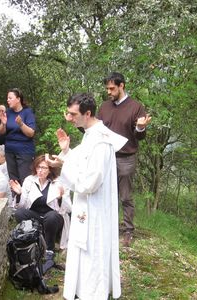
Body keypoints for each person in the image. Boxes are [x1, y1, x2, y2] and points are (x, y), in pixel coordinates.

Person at [49, 93, 127, 299]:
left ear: (88, 113)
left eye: (74, 114)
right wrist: (65, 153)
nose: (70, 118)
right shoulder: (90, 134)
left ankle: (93, 293)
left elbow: (89, 182)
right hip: (86, 205)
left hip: (95, 207)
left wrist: (63, 167)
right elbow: (82, 160)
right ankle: (82, 290)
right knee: (83, 248)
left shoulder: (101, 141)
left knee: (93, 249)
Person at [97, 72, 151, 247]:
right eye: (107, 88)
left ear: (122, 86)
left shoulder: (136, 107)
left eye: (112, 88)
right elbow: (95, 130)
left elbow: (139, 137)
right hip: (105, 156)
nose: (109, 92)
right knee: (104, 192)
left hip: (126, 158)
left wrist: (141, 127)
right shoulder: (104, 107)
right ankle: (107, 226)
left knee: (125, 196)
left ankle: (128, 230)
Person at [10, 154, 71, 273]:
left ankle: (49, 249)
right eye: (38, 167)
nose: (40, 170)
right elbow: (22, 205)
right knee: (20, 213)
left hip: (54, 218)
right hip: (36, 217)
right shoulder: (29, 180)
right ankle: (31, 242)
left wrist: (60, 198)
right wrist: (18, 194)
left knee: (51, 216)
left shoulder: (59, 182)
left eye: (44, 168)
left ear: (50, 169)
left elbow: (67, 209)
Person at [0, 88, 36, 184]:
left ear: (18, 99)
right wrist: (3, 123)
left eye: (10, 98)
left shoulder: (28, 112)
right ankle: (16, 198)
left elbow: (31, 133)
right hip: (10, 151)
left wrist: (21, 124)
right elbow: (1, 132)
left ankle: (26, 199)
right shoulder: (8, 113)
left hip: (24, 152)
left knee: (25, 180)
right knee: (13, 180)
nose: (8, 100)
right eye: (7, 98)